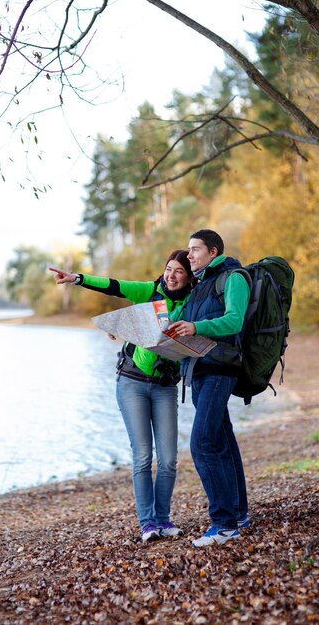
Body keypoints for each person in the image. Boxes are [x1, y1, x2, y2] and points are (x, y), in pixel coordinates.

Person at [50, 251, 194, 543]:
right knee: (142, 456)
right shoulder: (149, 292)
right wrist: (77, 278)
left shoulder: (195, 302)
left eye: (179, 271)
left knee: (168, 460)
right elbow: (113, 285)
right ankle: (148, 523)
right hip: (132, 384)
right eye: (168, 269)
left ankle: (163, 519)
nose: (172, 275)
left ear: (190, 276)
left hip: (165, 386)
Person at [169, 229, 251, 547]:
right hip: (199, 373)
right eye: (188, 250)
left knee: (202, 444)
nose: (188, 255)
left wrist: (196, 327)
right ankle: (238, 513)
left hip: (220, 370)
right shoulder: (200, 285)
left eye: (195, 249)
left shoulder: (233, 278)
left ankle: (224, 524)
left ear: (213, 251)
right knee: (222, 443)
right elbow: (182, 324)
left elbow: (234, 321)